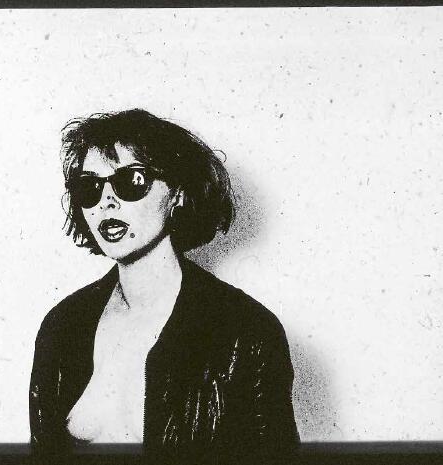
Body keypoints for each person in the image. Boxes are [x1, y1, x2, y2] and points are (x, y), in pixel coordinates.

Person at [29, 109, 299, 462]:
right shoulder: (63, 325)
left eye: (132, 181)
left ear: (178, 194)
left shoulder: (246, 331)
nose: (106, 201)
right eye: (89, 187)